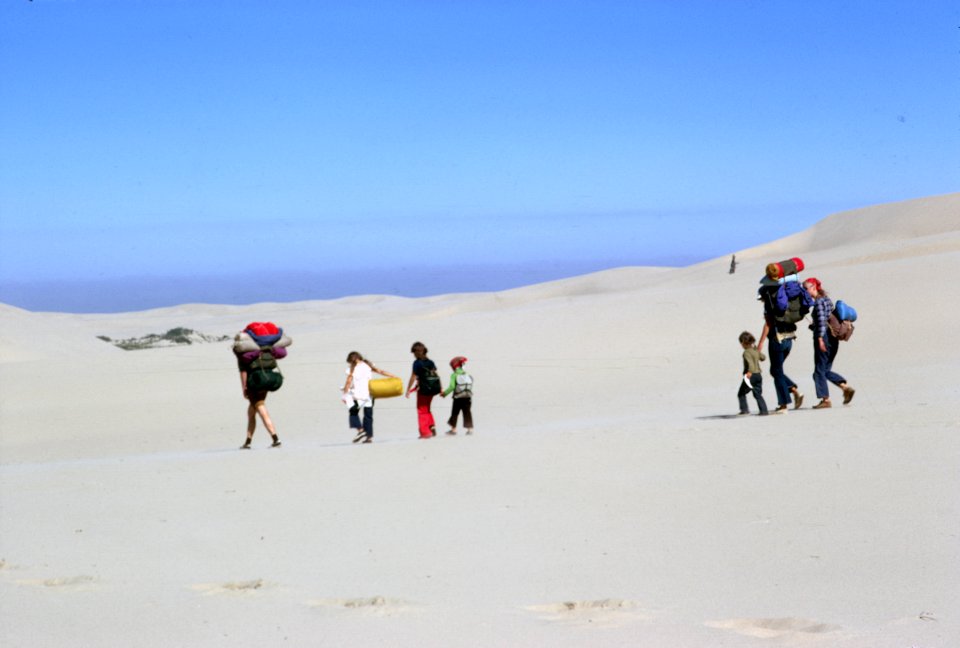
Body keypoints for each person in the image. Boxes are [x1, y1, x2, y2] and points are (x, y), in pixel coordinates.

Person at [804, 277, 855, 409]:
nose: (805, 291)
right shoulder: (827, 300)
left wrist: (820, 338)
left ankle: (825, 400)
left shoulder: (819, 302)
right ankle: (845, 387)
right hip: (833, 339)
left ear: (814, 287)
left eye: (806, 288)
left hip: (824, 338)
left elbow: (821, 322)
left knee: (818, 371)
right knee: (825, 370)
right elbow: (826, 320)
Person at [757, 278, 805, 413]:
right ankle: (794, 390)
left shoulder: (769, 305)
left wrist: (760, 343)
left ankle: (783, 404)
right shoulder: (784, 302)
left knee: (777, 372)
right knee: (775, 370)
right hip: (789, 339)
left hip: (777, 340)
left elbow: (768, 324)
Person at [234, 337, 281, 449]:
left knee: (261, 409)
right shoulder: (263, 349)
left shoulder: (242, 354)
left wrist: (244, 388)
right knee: (251, 412)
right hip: (265, 381)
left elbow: (243, 372)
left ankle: (275, 438)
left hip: (254, 383)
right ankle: (248, 441)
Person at [342, 351, 398, 444]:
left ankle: (361, 431)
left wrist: (345, 394)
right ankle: (369, 437)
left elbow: (348, 382)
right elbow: (380, 371)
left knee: (353, 412)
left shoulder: (351, 369)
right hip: (369, 394)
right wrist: (393, 376)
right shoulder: (368, 364)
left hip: (358, 395)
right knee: (368, 416)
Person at [406, 341, 441, 438]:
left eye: (413, 353)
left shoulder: (417, 363)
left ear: (416, 352)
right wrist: (441, 388)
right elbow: (436, 375)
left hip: (423, 389)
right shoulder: (430, 362)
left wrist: (408, 389)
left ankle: (425, 432)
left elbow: (413, 377)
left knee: (421, 410)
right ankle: (431, 425)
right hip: (433, 388)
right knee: (427, 408)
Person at [737, 332, 768, 416]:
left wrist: (749, 372)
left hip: (751, 376)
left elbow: (750, 363)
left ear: (743, 343)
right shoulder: (755, 351)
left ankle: (744, 410)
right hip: (758, 375)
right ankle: (764, 410)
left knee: (741, 393)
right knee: (758, 394)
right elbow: (763, 358)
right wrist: (757, 351)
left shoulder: (746, 352)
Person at [441, 356, 474, 434]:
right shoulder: (466, 374)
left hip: (458, 397)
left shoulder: (454, 375)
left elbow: (452, 386)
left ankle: (453, 429)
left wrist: (444, 393)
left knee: (455, 413)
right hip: (468, 396)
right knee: (467, 412)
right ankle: (469, 429)